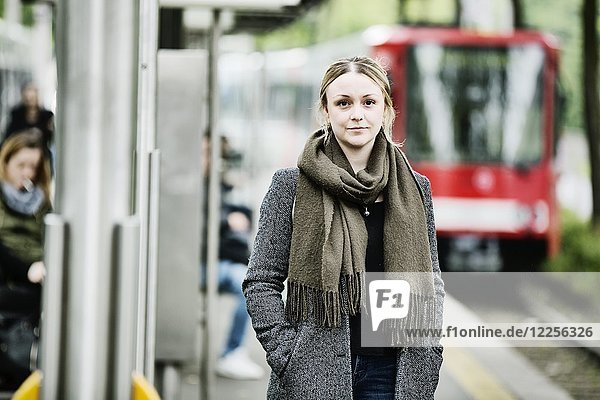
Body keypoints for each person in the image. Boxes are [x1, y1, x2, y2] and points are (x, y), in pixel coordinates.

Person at [243, 56, 444, 399]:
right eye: (343, 103)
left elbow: (431, 283)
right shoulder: (291, 186)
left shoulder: (414, 188)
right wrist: (286, 355)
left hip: (393, 370)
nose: (357, 114)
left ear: (386, 109)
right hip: (314, 370)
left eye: (369, 102)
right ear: (326, 110)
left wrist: (431, 356)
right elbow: (261, 281)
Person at [0, 129, 52, 388]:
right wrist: (27, 269)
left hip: (39, 272)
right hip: (9, 275)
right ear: (5, 162)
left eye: (32, 166)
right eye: (21, 165)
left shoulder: (41, 200)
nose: (27, 173)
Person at [214, 202, 265, 380]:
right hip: (209, 260)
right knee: (247, 287)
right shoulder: (194, 187)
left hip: (232, 261)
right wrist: (225, 219)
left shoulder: (229, 192)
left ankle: (234, 352)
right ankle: (232, 352)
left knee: (251, 287)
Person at [3, 83, 54, 170]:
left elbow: (49, 138)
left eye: (32, 98)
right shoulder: (17, 114)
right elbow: (9, 135)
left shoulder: (46, 115)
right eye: (28, 98)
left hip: (40, 152)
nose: (30, 101)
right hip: (20, 150)